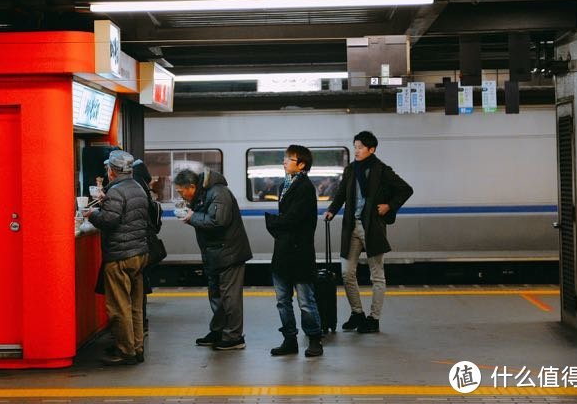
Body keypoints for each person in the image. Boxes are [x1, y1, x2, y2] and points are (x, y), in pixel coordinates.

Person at [323, 131, 413, 334]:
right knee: (346, 273)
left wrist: (389, 206)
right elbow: (341, 194)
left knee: (377, 276)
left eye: (360, 147)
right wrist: (331, 210)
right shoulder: (351, 170)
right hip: (351, 226)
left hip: (372, 227)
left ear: (371, 149)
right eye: (355, 146)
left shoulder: (381, 170)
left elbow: (406, 189)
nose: (356, 150)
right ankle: (357, 313)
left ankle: (374, 318)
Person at [174, 168, 252, 350]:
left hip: (229, 253)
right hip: (215, 254)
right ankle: (218, 331)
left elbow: (218, 221)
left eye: (181, 191)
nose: (181, 195)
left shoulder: (219, 193)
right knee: (217, 296)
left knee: (230, 298)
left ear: (191, 187)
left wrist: (192, 217)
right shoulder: (203, 194)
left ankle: (234, 337)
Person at [84, 150, 150, 365]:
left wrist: (92, 214)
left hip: (120, 255)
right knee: (135, 305)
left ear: (112, 171)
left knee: (119, 306)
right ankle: (137, 348)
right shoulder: (137, 187)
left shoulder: (116, 191)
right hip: (139, 253)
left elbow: (110, 221)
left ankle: (125, 351)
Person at [265, 145, 324, 357]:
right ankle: (290, 339)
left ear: (301, 164)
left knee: (305, 301)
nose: (284, 162)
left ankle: (315, 339)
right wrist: (277, 224)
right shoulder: (285, 186)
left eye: (289, 159)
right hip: (283, 252)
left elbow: (294, 219)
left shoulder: (305, 187)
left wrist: (272, 221)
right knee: (282, 301)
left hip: (299, 253)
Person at [132, 158, 161, 334]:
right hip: (146, 244)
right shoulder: (145, 188)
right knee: (140, 286)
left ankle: (138, 327)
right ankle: (141, 324)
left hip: (135, 246)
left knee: (135, 290)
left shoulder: (134, 186)